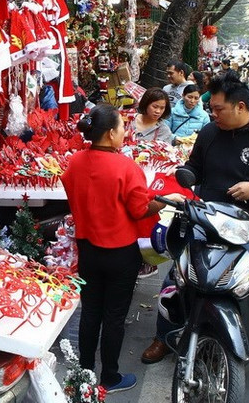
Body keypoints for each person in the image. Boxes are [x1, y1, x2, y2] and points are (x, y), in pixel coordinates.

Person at [140, 72, 249, 403]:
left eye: (218, 109)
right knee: (176, 278)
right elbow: (194, 170)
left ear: (241, 106)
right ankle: (164, 336)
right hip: (208, 221)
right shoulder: (209, 133)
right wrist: (186, 180)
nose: (212, 114)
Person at [62, 103, 184, 394]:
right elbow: (140, 208)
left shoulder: (75, 161)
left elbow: (72, 190)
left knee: (91, 312)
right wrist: (165, 199)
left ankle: (85, 374)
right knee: (113, 317)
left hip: (88, 249)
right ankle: (110, 377)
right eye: (120, 128)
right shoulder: (125, 167)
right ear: (110, 133)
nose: (123, 132)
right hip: (119, 253)